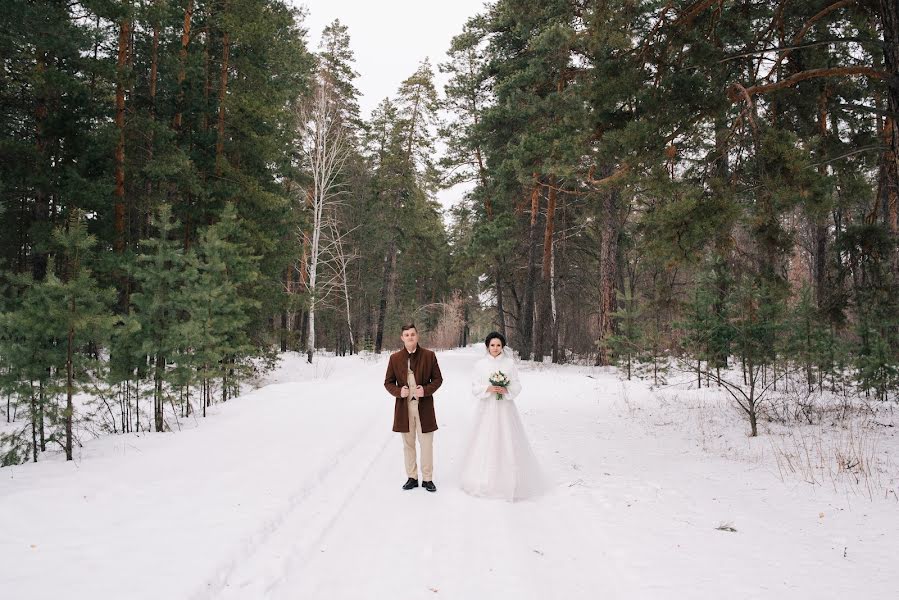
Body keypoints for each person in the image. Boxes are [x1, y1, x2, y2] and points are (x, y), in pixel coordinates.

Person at [459, 331, 546, 501]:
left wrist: (506, 389)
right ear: (487, 346)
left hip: (505, 408)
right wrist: (488, 388)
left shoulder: (509, 364)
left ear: (503, 346)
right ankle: (483, 478)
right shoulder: (480, 365)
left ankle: (509, 478)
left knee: (506, 438)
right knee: (485, 439)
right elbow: (475, 387)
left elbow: (517, 384)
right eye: (492, 345)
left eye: (498, 345)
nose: (495, 348)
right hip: (487, 408)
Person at [383, 323, 443, 493]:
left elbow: (438, 379)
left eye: (412, 334)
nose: (410, 337)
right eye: (406, 335)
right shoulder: (394, 358)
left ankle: (428, 479)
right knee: (408, 444)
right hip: (404, 408)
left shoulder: (429, 356)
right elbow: (388, 382)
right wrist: (398, 391)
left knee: (426, 444)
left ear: (417, 336)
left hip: (424, 408)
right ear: (402, 338)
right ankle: (412, 477)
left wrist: (426, 389)